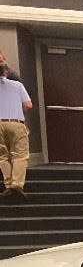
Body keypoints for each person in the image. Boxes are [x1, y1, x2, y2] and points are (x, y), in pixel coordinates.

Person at [0, 59, 32, 204]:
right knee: (20, 155)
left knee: (2, 156)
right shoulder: (17, 85)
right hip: (16, 123)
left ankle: (8, 185)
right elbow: (28, 105)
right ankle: (16, 185)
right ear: (6, 71)